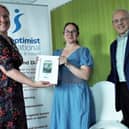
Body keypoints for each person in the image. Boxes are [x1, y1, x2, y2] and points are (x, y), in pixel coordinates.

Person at [0, 4, 51, 129]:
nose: (3, 20)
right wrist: (33, 83)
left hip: (15, 94)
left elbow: (16, 64)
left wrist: (42, 63)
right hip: (4, 98)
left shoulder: (10, 40)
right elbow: (9, 70)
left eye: (5, 16)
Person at [50, 22, 94, 129]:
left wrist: (67, 63)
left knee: (77, 123)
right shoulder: (56, 53)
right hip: (60, 94)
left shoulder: (84, 51)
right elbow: (51, 77)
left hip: (77, 94)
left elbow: (85, 76)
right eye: (67, 31)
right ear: (63, 34)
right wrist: (42, 66)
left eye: (73, 31)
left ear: (77, 34)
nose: (70, 34)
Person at [107, 9, 129, 128]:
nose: (119, 23)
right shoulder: (113, 45)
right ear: (113, 24)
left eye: (123, 19)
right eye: (116, 21)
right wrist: (105, 86)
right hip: (121, 89)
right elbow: (114, 71)